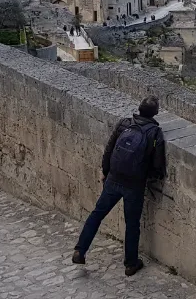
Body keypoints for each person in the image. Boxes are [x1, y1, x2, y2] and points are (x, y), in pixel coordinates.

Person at [72, 96, 166, 276]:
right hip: (134, 185)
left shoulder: (124, 124)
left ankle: (80, 250)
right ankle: (131, 264)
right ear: (155, 113)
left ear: (139, 109)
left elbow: (109, 148)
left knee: (97, 214)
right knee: (132, 224)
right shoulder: (155, 133)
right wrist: (151, 178)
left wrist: (105, 171)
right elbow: (157, 165)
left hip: (113, 179)